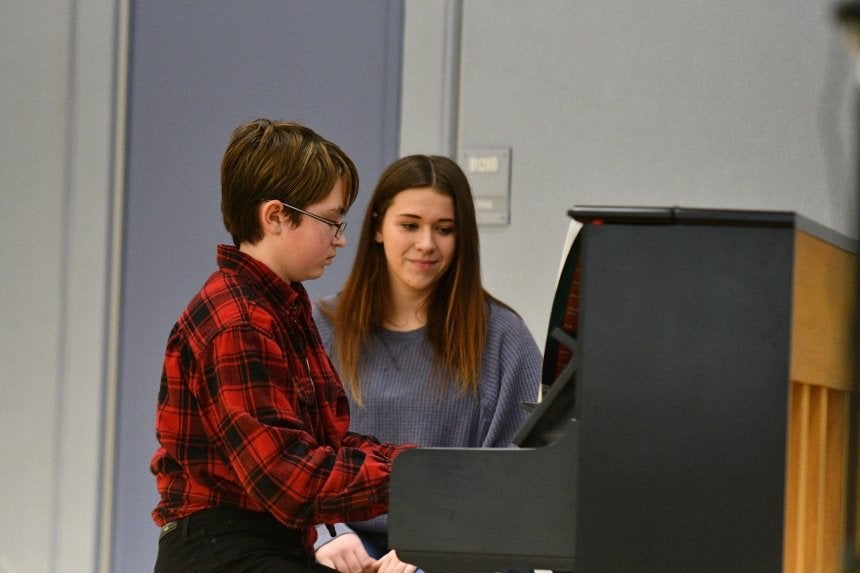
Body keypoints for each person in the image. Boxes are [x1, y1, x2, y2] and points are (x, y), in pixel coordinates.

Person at [150, 118, 414, 573]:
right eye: (330, 220)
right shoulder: (238, 320)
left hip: (261, 544)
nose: (341, 238)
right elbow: (292, 482)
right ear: (275, 216)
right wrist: (418, 475)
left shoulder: (279, 308)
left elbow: (324, 444)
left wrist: (421, 464)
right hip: (222, 551)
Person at [312, 154, 542, 573]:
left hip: (460, 553)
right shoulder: (319, 329)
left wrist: (433, 548)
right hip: (341, 549)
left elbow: (516, 485)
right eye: (410, 225)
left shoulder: (505, 340)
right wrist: (328, 535)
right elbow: (290, 458)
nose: (426, 244)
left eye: (444, 229)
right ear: (379, 227)